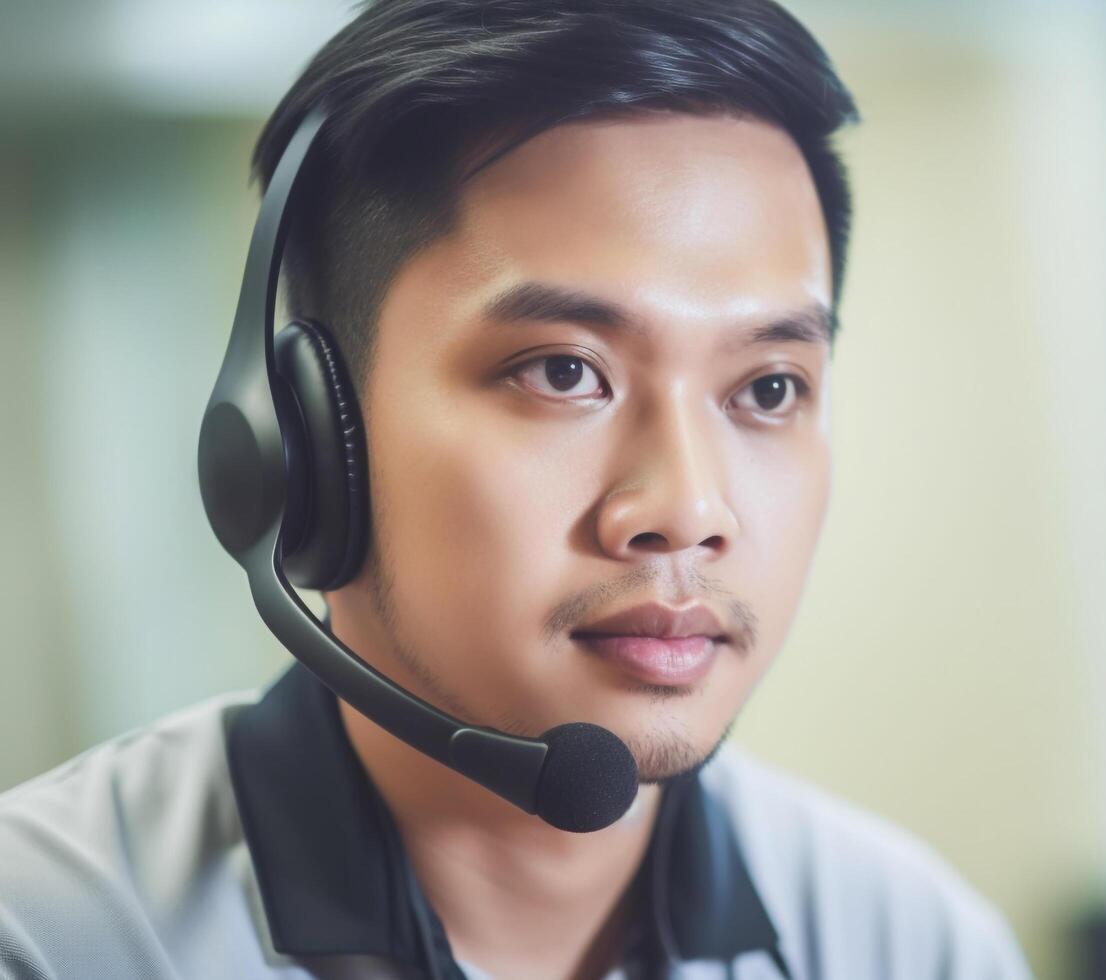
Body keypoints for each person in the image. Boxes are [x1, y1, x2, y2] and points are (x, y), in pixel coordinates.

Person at [0, 1, 1033, 977]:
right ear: (304, 437)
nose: (686, 509)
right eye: (561, 371)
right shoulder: (49, 931)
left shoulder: (909, 939)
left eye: (767, 387)